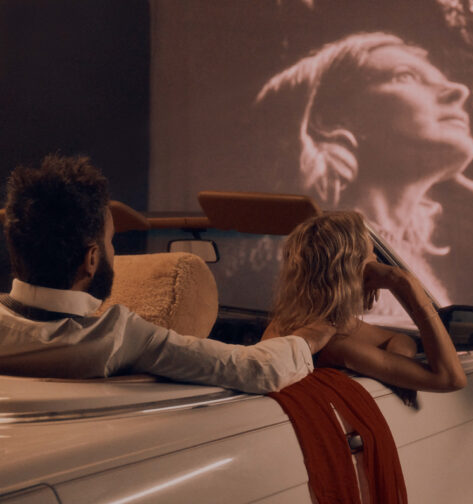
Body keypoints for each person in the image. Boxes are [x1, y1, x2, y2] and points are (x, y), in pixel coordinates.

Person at [255, 31, 473, 333]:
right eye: (405, 76)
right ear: (332, 120)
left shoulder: (404, 258)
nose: (458, 90)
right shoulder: (325, 251)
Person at [0, 154, 335, 393]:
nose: (115, 254)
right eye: (111, 242)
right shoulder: (117, 336)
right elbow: (256, 369)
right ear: (91, 259)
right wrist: (315, 332)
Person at [264, 211, 466, 393]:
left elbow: (401, 339)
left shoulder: (306, 321)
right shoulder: (333, 343)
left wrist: (398, 368)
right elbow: (451, 379)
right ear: (351, 269)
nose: (376, 259)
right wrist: (405, 282)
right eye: (371, 253)